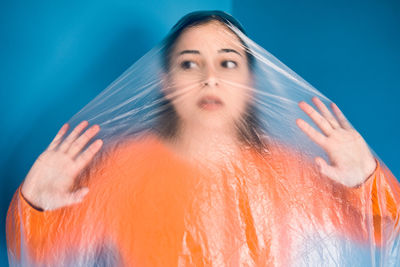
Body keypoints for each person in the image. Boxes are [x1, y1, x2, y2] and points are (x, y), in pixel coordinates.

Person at [6, 10, 400, 266]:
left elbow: (386, 234)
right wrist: (34, 202)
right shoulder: (122, 170)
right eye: (189, 63)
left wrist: (367, 177)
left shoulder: (290, 171)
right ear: (164, 81)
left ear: (250, 81)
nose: (210, 78)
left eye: (228, 62)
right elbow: (36, 253)